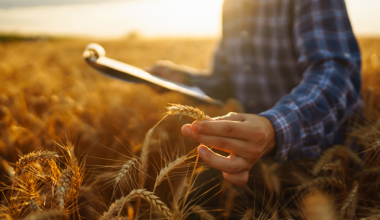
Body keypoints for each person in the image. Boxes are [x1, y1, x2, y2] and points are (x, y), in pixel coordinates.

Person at [147, 0, 361, 186]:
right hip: (257, 160)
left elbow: (337, 72)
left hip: (332, 160)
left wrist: (275, 128)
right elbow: (226, 80)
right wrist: (182, 78)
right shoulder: (232, 4)